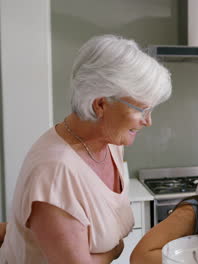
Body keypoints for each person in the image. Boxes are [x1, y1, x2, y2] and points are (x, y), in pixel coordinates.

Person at [0, 34, 172, 263]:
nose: (148, 121)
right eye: (141, 110)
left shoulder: (110, 145)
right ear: (100, 104)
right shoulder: (55, 173)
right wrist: (114, 251)